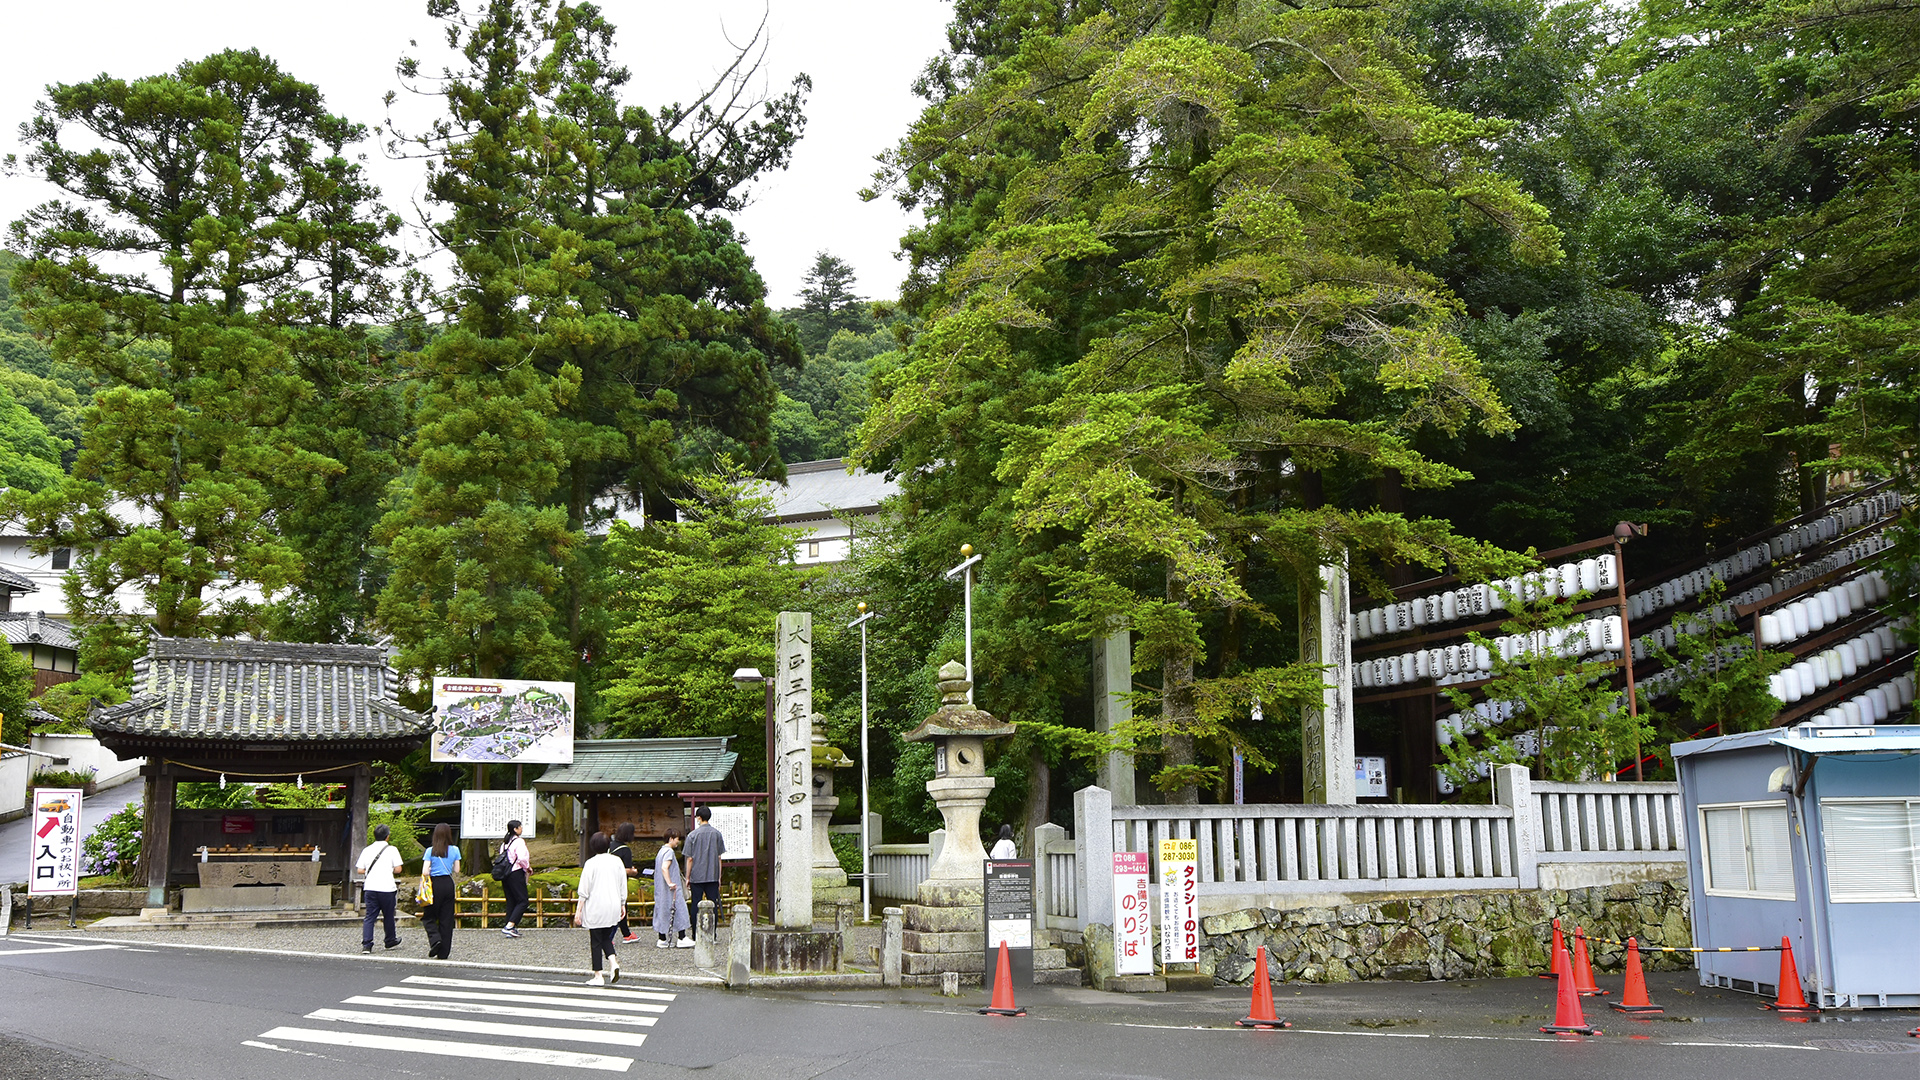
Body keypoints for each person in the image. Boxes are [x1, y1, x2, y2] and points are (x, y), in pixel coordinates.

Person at [574, 831, 625, 986]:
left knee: (595, 940)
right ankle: (613, 962)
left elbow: (584, 889)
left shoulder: (591, 863)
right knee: (605, 937)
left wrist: (578, 911)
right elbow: (623, 884)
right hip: (613, 904)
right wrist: (623, 903)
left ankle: (598, 975)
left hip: (596, 905)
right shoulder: (617, 861)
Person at [356, 823, 404, 954]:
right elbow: (398, 869)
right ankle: (390, 940)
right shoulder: (392, 850)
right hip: (387, 887)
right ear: (387, 837)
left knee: (370, 916)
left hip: (370, 887)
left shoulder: (367, 850)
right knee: (388, 915)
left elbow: (360, 870)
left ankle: (367, 944)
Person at [681, 805, 726, 938]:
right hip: (712, 875)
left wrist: (687, 877)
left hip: (696, 875)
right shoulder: (717, 834)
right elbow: (719, 857)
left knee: (696, 904)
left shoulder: (692, 835)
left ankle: (696, 934)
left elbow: (690, 859)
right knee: (713, 904)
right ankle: (713, 934)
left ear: (699, 818)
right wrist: (718, 877)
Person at [423, 822, 460, 959]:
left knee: (429, 916)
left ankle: (435, 940)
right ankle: (444, 952)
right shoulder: (455, 850)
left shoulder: (430, 850)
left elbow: (425, 871)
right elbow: (457, 870)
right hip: (448, 883)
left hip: (434, 885)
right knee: (446, 918)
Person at [653, 828, 692, 947]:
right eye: (677, 839)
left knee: (663, 910)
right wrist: (670, 882)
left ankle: (662, 938)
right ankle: (682, 937)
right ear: (671, 839)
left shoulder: (661, 851)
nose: (678, 842)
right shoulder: (669, 852)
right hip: (671, 889)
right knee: (679, 908)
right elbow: (665, 867)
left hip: (661, 889)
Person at [499, 819, 531, 938]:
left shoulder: (504, 843)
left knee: (511, 900)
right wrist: (527, 867)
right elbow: (522, 858)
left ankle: (509, 926)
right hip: (516, 872)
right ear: (515, 829)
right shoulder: (519, 842)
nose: (521, 828)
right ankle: (510, 925)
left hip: (505, 874)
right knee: (523, 900)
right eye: (520, 827)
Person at [610, 822, 639, 943]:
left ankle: (626, 933)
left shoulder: (610, 846)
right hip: (619, 883)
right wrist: (633, 871)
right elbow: (625, 870)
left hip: (608, 881)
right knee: (621, 907)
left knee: (614, 907)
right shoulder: (625, 850)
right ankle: (610, 936)